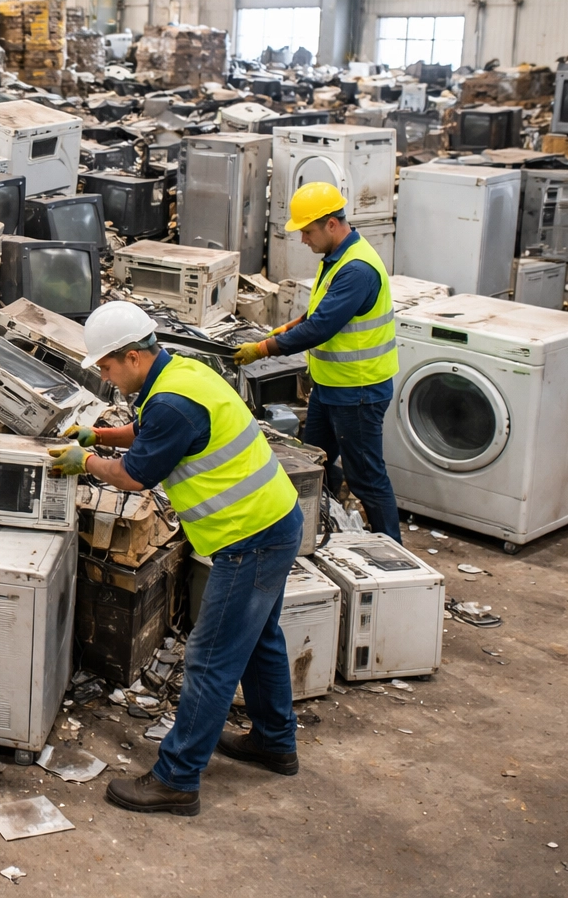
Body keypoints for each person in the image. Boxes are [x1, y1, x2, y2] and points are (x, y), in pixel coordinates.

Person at [49, 301, 303, 817]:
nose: (104, 376)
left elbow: (134, 476)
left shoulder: (169, 401)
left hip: (249, 538)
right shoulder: (177, 376)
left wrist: (87, 462)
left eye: (106, 366)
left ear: (133, 357)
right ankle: (274, 741)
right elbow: (149, 439)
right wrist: (97, 436)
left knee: (210, 659)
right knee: (260, 641)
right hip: (274, 522)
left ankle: (177, 779)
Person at [232, 182, 402, 542]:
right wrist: (276, 332)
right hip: (331, 387)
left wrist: (263, 350)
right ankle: (324, 526)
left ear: (330, 224)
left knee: (367, 477)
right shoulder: (337, 257)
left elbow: (321, 328)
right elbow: (316, 313)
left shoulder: (357, 269)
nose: (303, 239)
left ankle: (393, 550)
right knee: (314, 461)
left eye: (307, 231)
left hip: (358, 389)